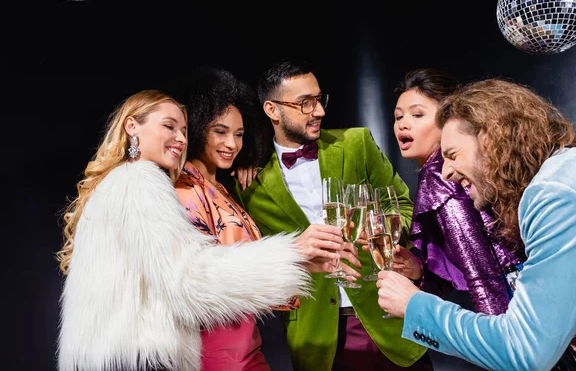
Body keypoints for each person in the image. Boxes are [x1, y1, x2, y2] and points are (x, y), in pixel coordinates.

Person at [56, 89, 317, 371]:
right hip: (143, 359)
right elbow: (188, 280)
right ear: (132, 126)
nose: (180, 138)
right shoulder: (139, 182)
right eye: (169, 126)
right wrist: (292, 255)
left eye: (183, 130)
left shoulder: (119, 182)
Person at [233, 58, 429, 371]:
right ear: (272, 110)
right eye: (305, 103)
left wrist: (384, 234)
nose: (319, 111)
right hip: (317, 337)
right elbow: (254, 258)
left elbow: (402, 205)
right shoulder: (248, 181)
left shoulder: (356, 143)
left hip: (389, 318)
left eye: (319, 100)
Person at [376, 79, 576, 371]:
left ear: (492, 141)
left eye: (453, 155)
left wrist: (415, 306)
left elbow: (525, 352)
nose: (446, 171)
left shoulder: (552, 194)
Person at [174, 67, 347, 370]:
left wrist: (301, 266)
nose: (232, 144)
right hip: (213, 353)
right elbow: (196, 284)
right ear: (198, 128)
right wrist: (294, 255)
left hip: (245, 347)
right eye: (220, 131)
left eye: (239, 134)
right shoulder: (185, 190)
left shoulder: (226, 190)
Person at [387, 68, 527, 370]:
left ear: (450, 118)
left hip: (516, 308)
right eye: (398, 116)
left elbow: (483, 272)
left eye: (417, 114)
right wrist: (418, 268)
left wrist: (505, 355)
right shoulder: (458, 166)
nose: (403, 124)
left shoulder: (441, 177)